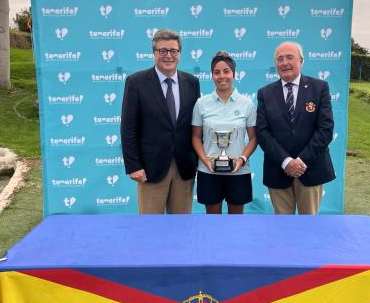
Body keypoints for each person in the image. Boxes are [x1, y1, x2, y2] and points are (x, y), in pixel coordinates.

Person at [120, 29, 200, 214]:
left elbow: (196, 126)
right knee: (150, 228)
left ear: (180, 53)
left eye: (173, 51)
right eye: (163, 51)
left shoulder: (192, 82)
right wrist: (134, 166)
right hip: (150, 169)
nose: (168, 56)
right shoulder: (136, 82)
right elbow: (128, 128)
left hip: (184, 169)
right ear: (154, 53)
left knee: (181, 226)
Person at [256, 42, 335, 215]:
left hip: (311, 169)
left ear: (301, 61)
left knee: (309, 227)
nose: (284, 62)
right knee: (282, 230)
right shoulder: (264, 93)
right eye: (280, 59)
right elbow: (262, 133)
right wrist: (286, 161)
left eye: (290, 57)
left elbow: (325, 128)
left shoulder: (320, 88)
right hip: (278, 170)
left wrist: (301, 161)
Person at [191, 51, 257, 214]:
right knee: (213, 222)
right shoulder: (201, 103)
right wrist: (205, 160)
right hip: (209, 171)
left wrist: (241, 159)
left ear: (233, 73)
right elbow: (195, 136)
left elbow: (254, 138)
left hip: (239, 171)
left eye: (226, 71)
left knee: (236, 223)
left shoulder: (247, 104)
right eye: (217, 72)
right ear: (212, 75)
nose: (222, 76)